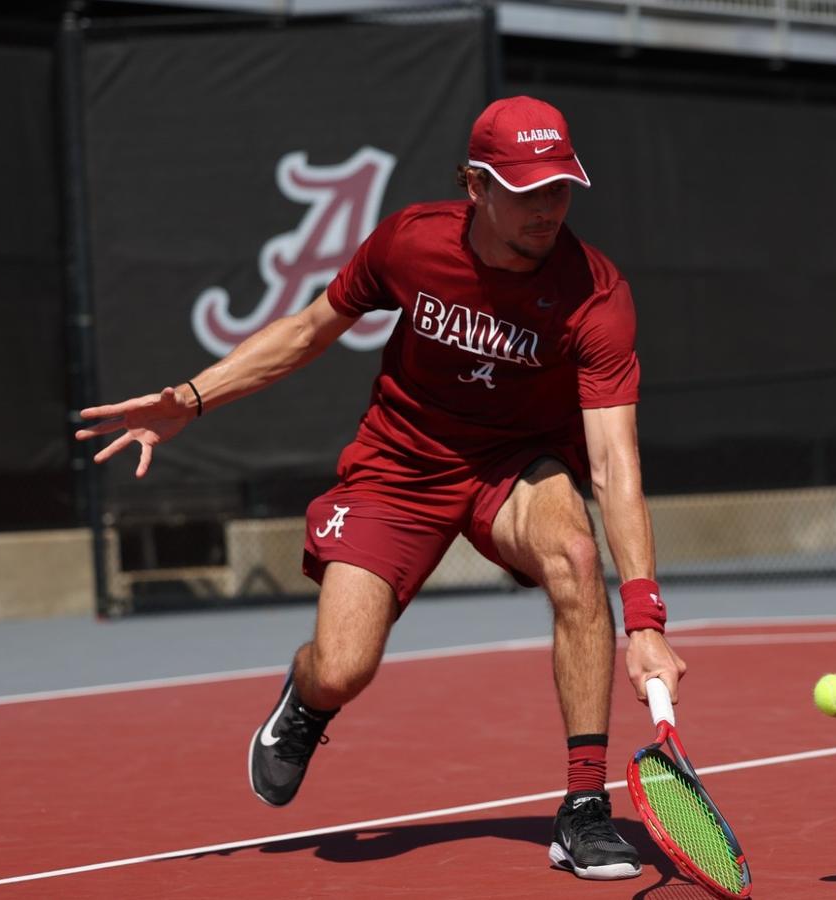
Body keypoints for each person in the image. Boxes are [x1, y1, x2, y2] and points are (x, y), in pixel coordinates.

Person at [75, 95, 687, 883]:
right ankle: (307, 699)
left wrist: (644, 619)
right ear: (476, 185)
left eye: (559, 188)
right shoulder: (410, 243)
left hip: (516, 464)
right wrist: (190, 399)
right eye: (527, 190)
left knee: (573, 552)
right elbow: (306, 332)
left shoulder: (595, 295)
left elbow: (613, 465)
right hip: (401, 465)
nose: (547, 208)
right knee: (343, 667)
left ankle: (582, 809)